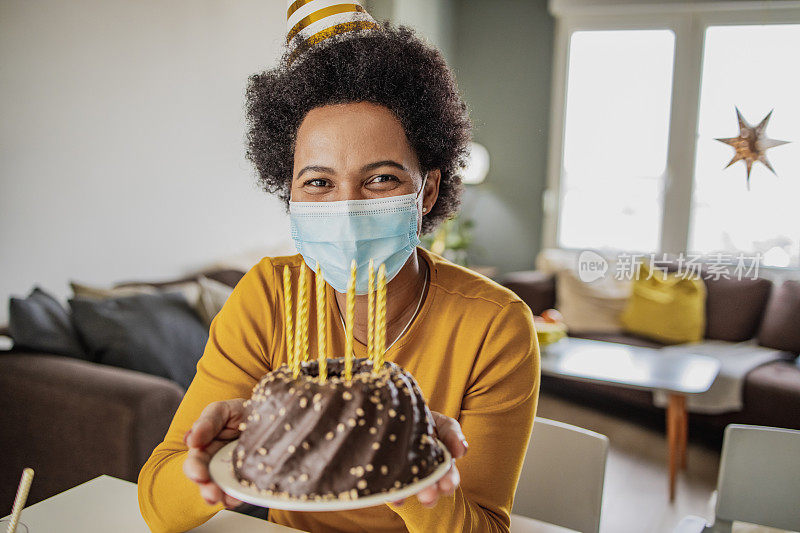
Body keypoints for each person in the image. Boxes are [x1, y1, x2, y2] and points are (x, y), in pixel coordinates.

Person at [137, 3, 540, 532]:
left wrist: (408, 464)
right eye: (319, 183)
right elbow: (158, 507)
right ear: (289, 192)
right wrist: (225, 456)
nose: (346, 208)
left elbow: (487, 527)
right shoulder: (268, 296)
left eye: (381, 179)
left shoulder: (494, 326)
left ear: (429, 189)